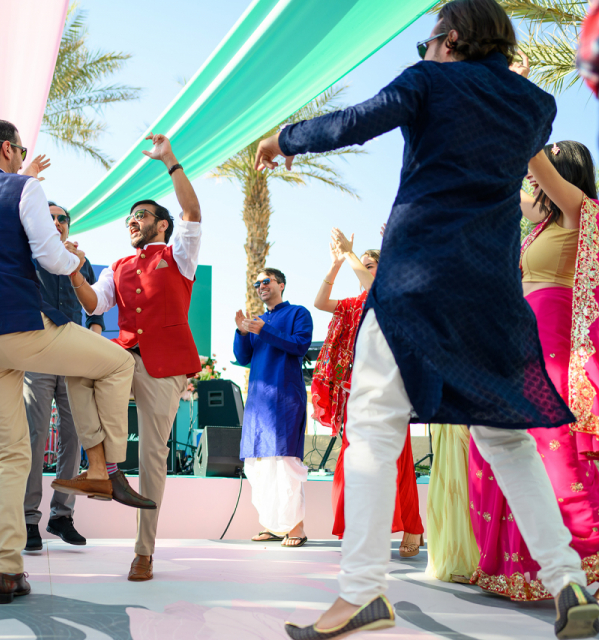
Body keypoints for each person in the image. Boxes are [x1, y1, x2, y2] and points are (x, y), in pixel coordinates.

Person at [255, 1, 599, 637]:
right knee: (505, 437)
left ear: (455, 37)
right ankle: (567, 580)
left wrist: (283, 138)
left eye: (429, 41)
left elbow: (357, 121)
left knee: (375, 427)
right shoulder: (535, 106)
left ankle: (362, 592)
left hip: (418, 280)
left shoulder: (428, 82)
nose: (426, 52)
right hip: (493, 291)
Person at [0, 117, 154, 604]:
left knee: (10, 455)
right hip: (20, 327)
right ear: (9, 149)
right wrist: (74, 262)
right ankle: (105, 467)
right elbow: (49, 256)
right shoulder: (26, 188)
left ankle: (6, 571)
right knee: (116, 365)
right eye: (20, 150)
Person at [468, 139, 599, 601]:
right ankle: (528, 569)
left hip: (553, 330)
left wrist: (518, 124)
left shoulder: (576, 208)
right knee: (512, 442)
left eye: (554, 148)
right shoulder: (544, 222)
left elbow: (537, 171)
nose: (547, 150)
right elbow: (506, 189)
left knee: (551, 447)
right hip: (524, 334)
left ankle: (586, 563)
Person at [70, 132, 202, 582]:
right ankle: (103, 467)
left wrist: (171, 161)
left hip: (165, 367)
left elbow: (192, 213)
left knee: (153, 457)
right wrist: (73, 268)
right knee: (78, 371)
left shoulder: (178, 255)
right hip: (124, 357)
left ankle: (144, 552)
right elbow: (93, 305)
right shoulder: (116, 267)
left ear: (161, 224)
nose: (133, 220)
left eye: (141, 215)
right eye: (129, 217)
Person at [312, 229, 424, 556]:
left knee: (398, 459)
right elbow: (320, 302)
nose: (364, 267)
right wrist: (336, 264)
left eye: (371, 263)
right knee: (351, 459)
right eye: (364, 263)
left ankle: (413, 528)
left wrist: (350, 254)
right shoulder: (350, 306)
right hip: (355, 391)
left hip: (390, 388)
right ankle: (356, 529)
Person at [23, 200, 106, 551]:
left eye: (63, 219)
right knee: (34, 436)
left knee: (74, 434)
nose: (57, 223)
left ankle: (61, 515)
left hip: (72, 355)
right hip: (38, 353)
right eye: (51, 218)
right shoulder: (28, 255)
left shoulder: (80, 261)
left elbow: (92, 306)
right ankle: (28, 519)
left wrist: (97, 329)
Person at [233, 268, 312, 547]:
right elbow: (242, 358)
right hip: (258, 402)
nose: (260, 286)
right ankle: (270, 525)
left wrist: (264, 330)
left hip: (285, 399)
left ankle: (296, 528)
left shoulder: (298, 314)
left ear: (281, 284)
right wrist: (242, 332)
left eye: (266, 281)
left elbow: (300, 345)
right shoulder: (258, 322)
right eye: (257, 283)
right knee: (258, 464)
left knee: (285, 462)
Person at [425, 423, 479, 584]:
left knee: (456, 475)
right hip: (454, 414)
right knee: (457, 474)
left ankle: (461, 559)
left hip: (452, 411)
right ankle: (460, 560)